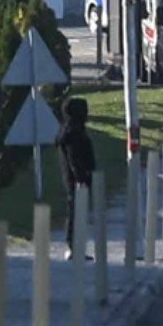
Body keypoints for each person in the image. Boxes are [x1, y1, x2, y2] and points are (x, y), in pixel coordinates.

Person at [55, 98, 96, 260]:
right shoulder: (73, 133)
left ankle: (76, 246)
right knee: (76, 212)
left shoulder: (70, 131)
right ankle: (74, 247)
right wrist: (81, 176)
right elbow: (74, 158)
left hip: (76, 178)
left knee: (77, 211)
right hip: (77, 180)